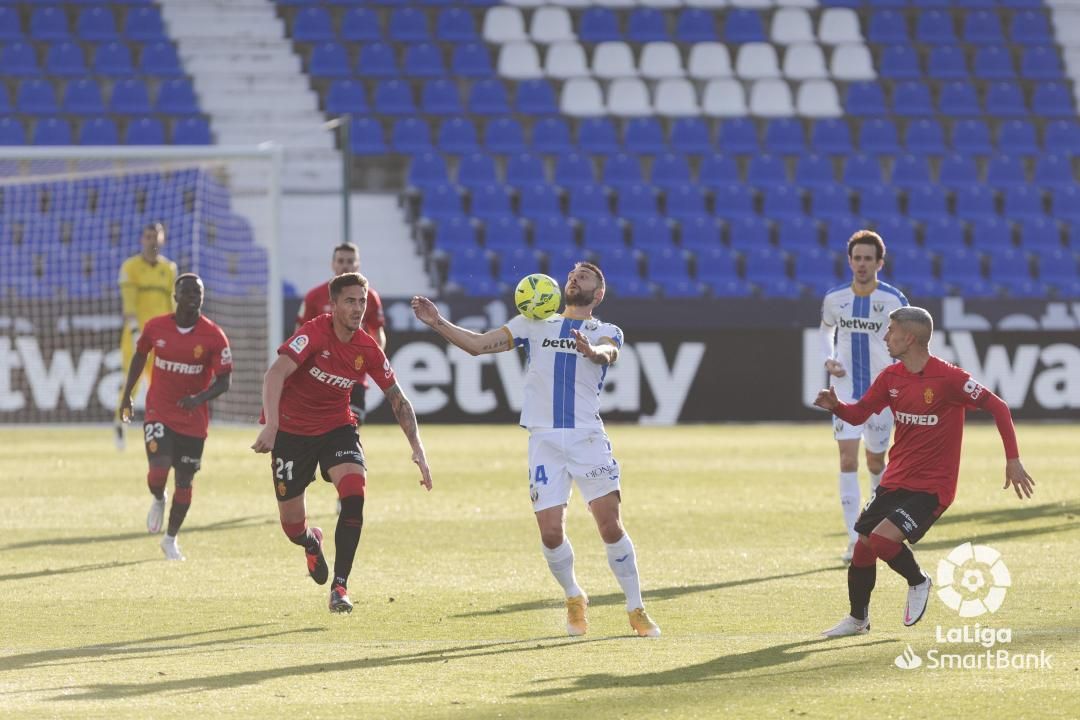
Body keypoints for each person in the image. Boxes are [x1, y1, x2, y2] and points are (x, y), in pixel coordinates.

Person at [411, 262, 661, 638]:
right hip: (543, 439)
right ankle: (574, 596)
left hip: (587, 437)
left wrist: (591, 350)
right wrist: (438, 322)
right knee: (549, 533)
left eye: (585, 278)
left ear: (599, 293)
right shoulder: (532, 322)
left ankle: (635, 606)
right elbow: (479, 345)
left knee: (609, 525)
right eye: (573, 276)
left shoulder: (606, 331)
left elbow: (608, 354)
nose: (575, 280)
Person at [815, 306, 1034, 637]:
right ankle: (858, 619)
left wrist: (1012, 459)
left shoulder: (950, 378)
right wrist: (837, 407)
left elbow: (998, 406)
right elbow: (860, 414)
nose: (885, 336)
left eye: (891, 330)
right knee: (863, 546)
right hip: (895, 480)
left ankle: (919, 581)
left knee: (882, 541)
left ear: (910, 337)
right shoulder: (891, 377)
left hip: (932, 487)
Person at [252, 272, 432, 614]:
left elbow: (398, 399)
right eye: (350, 301)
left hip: (337, 427)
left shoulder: (367, 348)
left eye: (362, 301)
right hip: (291, 432)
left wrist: (418, 449)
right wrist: (272, 425)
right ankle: (310, 541)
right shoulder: (314, 333)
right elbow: (274, 374)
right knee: (292, 526)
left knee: (354, 493)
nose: (358, 308)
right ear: (333, 305)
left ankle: (340, 586)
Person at [119, 274, 233, 561]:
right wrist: (127, 395)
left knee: (185, 482)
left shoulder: (213, 336)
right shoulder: (156, 327)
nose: (195, 296)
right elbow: (140, 355)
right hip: (159, 409)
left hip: (193, 420)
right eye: (188, 291)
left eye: (199, 292)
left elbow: (224, 381)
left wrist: (198, 399)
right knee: (158, 472)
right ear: (176, 295)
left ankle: (170, 539)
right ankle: (158, 497)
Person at [819, 230, 908, 563]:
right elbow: (826, 330)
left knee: (875, 462)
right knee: (846, 460)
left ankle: (878, 531)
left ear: (879, 263)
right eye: (857, 258)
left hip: (881, 394)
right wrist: (828, 360)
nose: (861, 264)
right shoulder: (834, 298)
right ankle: (854, 542)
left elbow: (908, 339)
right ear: (849, 261)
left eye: (868, 258)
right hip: (844, 392)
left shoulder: (894, 300)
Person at [296, 243, 386, 424]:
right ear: (333, 264)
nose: (345, 265)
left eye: (350, 261)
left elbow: (378, 333)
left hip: (353, 376)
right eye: (341, 261)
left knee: (351, 426)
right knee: (319, 427)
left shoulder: (370, 297)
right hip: (320, 376)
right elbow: (299, 334)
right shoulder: (314, 296)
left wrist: (374, 359)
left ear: (357, 265)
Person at [115, 222, 177, 450]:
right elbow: (128, 303)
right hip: (137, 336)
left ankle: (164, 429)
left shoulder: (169, 269)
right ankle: (119, 426)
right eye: (148, 236)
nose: (152, 240)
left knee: (162, 384)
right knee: (132, 382)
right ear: (142, 239)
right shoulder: (130, 267)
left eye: (156, 236)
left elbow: (172, 305)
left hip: (162, 338)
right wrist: (134, 332)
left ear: (162, 240)